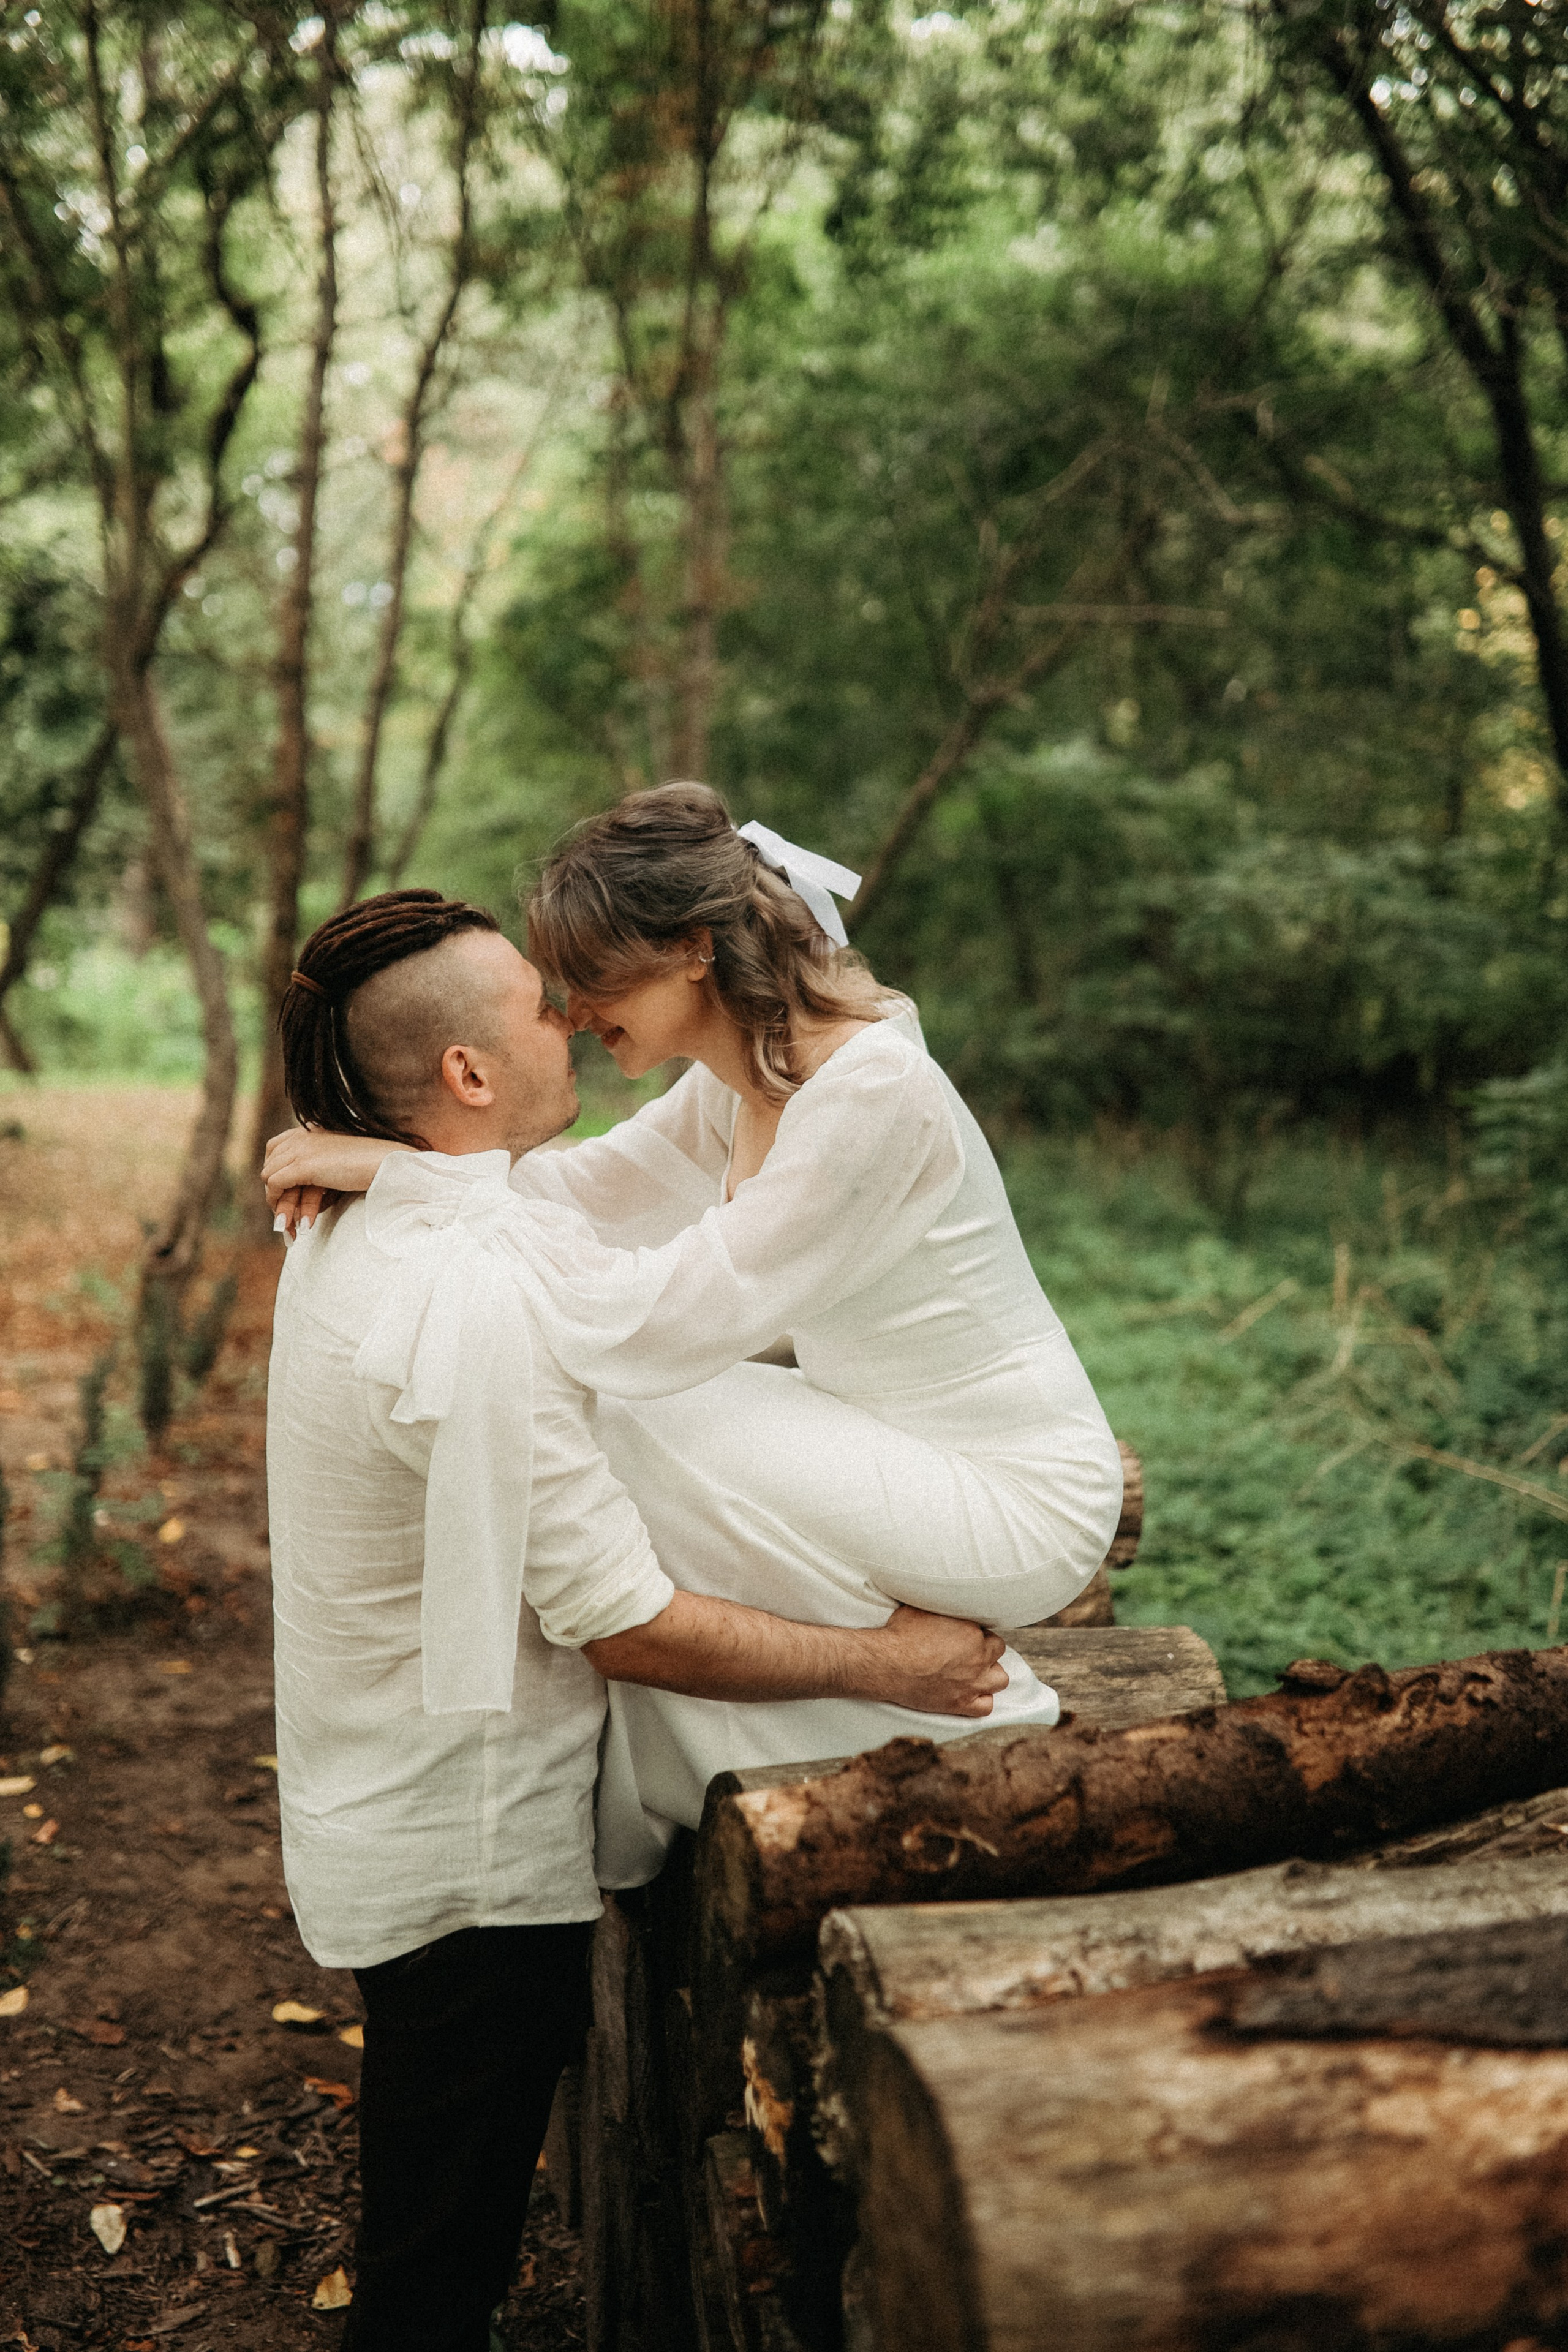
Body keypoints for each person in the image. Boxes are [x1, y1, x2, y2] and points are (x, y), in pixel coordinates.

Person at [266, 887, 1007, 2352]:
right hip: (469, 1858)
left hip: (377, 1797)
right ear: (469, 1077)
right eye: (543, 1006)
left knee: (432, 2229)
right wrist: (895, 1663)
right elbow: (626, 1626)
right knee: (432, 2280)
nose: (572, 1016)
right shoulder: (475, 1301)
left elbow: (540, 1191)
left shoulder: (373, 1225)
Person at [264, 784, 1124, 1882]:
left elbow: (653, 1326)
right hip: (891, 1443)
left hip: (1020, 1500)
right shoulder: (751, 1072)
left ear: (692, 952)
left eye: (591, 975)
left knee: (613, 1399)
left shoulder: (874, 1097)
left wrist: (409, 1176)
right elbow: (577, 1194)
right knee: (602, 1401)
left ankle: (956, 1714)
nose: (572, 1011)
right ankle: (733, 1745)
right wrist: (422, 1161)